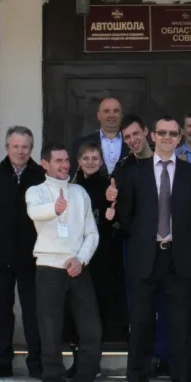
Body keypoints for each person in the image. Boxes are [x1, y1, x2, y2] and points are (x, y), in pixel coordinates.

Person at [115, 116, 191, 382]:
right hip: (145, 259)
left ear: (179, 138)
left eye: (172, 133)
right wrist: (145, 236)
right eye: (162, 133)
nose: (167, 137)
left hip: (179, 260)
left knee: (181, 329)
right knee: (140, 328)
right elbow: (126, 216)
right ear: (152, 136)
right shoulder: (135, 172)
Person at [26, 143, 113, 382]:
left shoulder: (79, 192)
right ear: (45, 164)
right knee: (50, 333)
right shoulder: (36, 192)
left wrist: (81, 259)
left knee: (92, 331)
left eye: (66, 160)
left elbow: (92, 233)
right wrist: (55, 208)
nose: (64, 165)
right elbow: (34, 212)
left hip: (78, 268)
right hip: (49, 268)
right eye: (58, 161)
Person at [0, 126, 46, 378]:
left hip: (32, 258)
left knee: (33, 311)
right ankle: (3, 362)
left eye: (25, 147)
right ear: (7, 148)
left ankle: (37, 362)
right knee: (3, 311)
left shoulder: (41, 175)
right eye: (16, 146)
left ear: (31, 149)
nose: (20, 151)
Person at [111, 114, 170, 375]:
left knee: (167, 303)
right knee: (139, 306)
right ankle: (142, 360)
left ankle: (165, 356)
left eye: (136, 134)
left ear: (146, 132)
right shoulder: (124, 168)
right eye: (127, 137)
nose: (133, 140)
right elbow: (120, 210)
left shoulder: (168, 161)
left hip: (167, 245)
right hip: (136, 247)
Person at [71, 142, 126, 347]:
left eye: (95, 158)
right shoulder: (72, 188)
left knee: (101, 297)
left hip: (103, 253)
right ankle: (78, 344)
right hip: (76, 253)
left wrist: (112, 216)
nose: (90, 162)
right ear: (79, 161)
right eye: (86, 158)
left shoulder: (108, 187)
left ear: (101, 161)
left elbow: (117, 219)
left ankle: (99, 344)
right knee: (78, 301)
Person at [73, 96, 129, 176]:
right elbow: (75, 175)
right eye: (106, 111)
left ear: (121, 115)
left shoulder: (132, 142)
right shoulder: (81, 144)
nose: (111, 115)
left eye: (116, 111)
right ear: (99, 115)